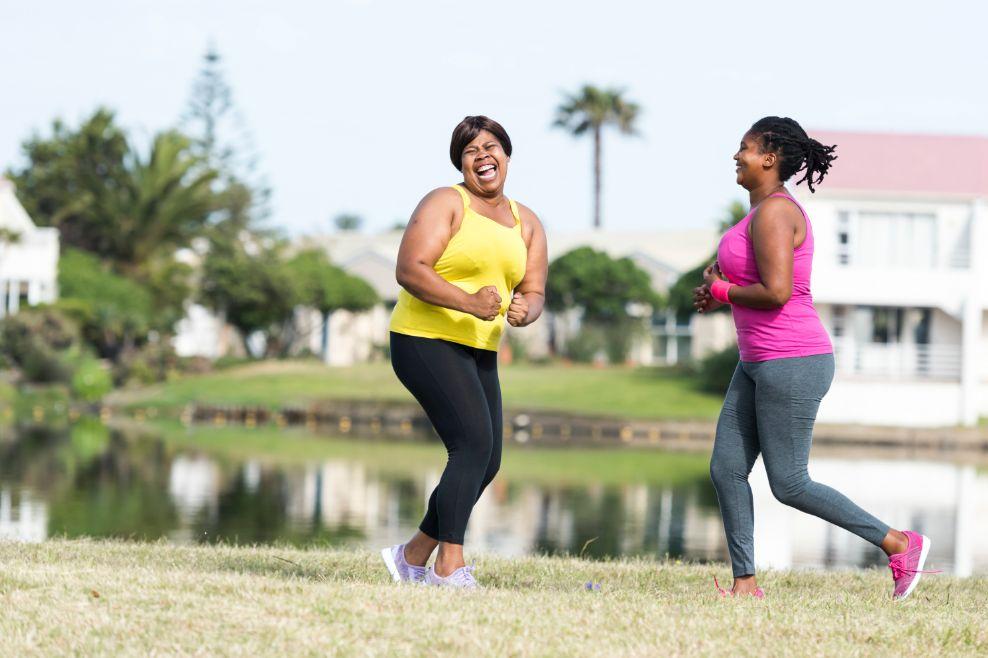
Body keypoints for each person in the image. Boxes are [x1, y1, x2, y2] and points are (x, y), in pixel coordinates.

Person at [695, 116, 934, 600]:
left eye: (744, 148)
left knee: (790, 482)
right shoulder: (756, 214)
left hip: (793, 359)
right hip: (758, 360)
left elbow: (777, 292)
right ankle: (746, 584)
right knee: (725, 468)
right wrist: (720, 290)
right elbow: (753, 283)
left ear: (769, 156)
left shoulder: (777, 213)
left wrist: (721, 289)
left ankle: (899, 544)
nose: (736, 156)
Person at [380, 115, 548, 588]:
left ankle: (410, 556)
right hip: (423, 339)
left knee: (488, 460)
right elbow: (410, 269)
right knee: (471, 445)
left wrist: (524, 311)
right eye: (470, 151)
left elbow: (534, 291)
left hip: (479, 348)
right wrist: (470, 303)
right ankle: (449, 565)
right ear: (461, 163)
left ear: (507, 157)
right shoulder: (445, 203)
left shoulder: (526, 222)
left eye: (491, 146)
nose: (482, 156)